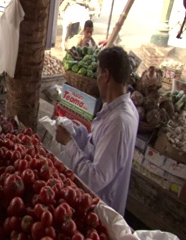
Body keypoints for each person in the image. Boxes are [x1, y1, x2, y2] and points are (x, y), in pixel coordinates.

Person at [55, 46, 139, 215]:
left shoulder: (119, 122)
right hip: (93, 202)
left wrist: (69, 143)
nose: (96, 80)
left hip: (100, 211)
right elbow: (97, 143)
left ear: (105, 75)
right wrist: (76, 131)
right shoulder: (116, 108)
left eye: (97, 73)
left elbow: (94, 179)